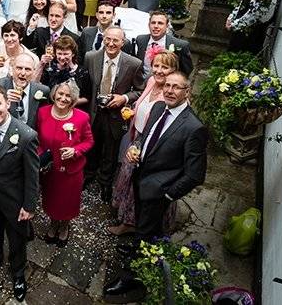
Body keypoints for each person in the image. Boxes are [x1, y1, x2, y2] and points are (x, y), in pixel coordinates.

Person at [104, 72, 208, 303]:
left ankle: (131, 276)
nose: (170, 90)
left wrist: (168, 194)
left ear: (187, 92)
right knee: (142, 226)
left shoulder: (194, 128)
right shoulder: (160, 107)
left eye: (176, 87)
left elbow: (195, 175)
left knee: (146, 232)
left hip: (160, 191)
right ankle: (138, 249)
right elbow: (146, 137)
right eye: (167, 86)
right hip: (140, 180)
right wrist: (136, 148)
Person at [0, 85, 39, 302]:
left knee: (17, 239)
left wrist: (29, 206)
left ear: (8, 104)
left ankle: (19, 274)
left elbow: (32, 175)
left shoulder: (25, 135)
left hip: (14, 200)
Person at [109, 50, 178, 237]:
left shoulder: (172, 95)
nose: (159, 70)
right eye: (156, 65)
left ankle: (131, 223)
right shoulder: (151, 82)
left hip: (153, 145)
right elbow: (143, 105)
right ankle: (127, 215)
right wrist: (132, 111)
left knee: (137, 183)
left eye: (165, 67)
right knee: (128, 176)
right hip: (137, 135)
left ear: (174, 70)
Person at [84, 26, 144, 202]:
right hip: (93, 112)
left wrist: (124, 98)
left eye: (115, 40)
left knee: (111, 150)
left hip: (115, 115)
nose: (111, 43)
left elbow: (140, 90)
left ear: (122, 42)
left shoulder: (133, 63)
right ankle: (88, 175)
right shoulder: (91, 57)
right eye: (108, 39)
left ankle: (105, 182)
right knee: (91, 146)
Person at [37, 80, 93, 246]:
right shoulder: (42, 112)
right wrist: (40, 155)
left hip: (71, 171)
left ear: (74, 99)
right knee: (51, 199)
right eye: (60, 94)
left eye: (68, 95)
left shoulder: (82, 118)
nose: (63, 98)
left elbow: (89, 141)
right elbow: (37, 139)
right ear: (54, 94)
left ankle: (65, 226)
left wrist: (75, 151)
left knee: (67, 202)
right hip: (50, 169)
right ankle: (53, 224)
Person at [132, 11, 194, 77]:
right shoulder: (141, 40)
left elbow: (186, 70)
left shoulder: (180, 45)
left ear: (167, 26)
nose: (156, 26)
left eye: (160, 23)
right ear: (149, 25)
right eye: (153, 23)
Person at [39, 36, 91, 110]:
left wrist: (66, 103)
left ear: (73, 54)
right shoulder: (49, 69)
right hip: (50, 109)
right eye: (59, 54)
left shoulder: (82, 72)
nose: (62, 57)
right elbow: (39, 87)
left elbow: (86, 98)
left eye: (66, 54)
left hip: (72, 111)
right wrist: (41, 64)